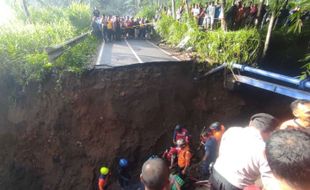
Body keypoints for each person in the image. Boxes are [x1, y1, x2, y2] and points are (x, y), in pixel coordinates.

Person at [210, 113, 280, 190]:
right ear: (270, 133)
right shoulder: (263, 148)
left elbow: (220, 154)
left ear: (251, 123)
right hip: (235, 186)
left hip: (216, 174)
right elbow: (269, 182)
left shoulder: (231, 130)